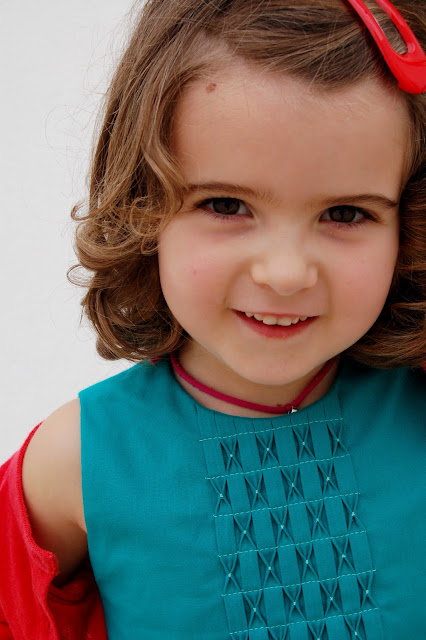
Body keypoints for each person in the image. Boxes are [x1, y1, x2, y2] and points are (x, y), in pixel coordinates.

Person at [1, 0, 425, 638]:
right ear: (145, 207)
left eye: (345, 214)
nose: (285, 273)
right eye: (226, 205)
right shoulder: (73, 462)